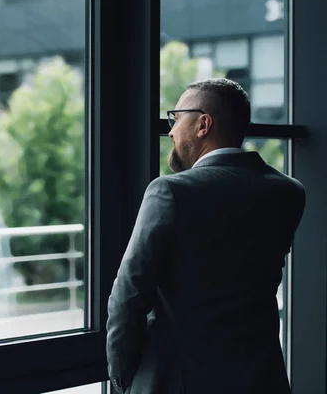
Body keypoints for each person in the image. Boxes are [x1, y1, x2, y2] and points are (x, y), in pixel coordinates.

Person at [106, 78, 305, 394]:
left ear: (203, 124)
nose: (170, 131)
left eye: (176, 118)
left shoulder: (170, 190)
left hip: (180, 381)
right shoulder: (289, 192)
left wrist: (121, 378)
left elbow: (128, 295)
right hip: (262, 378)